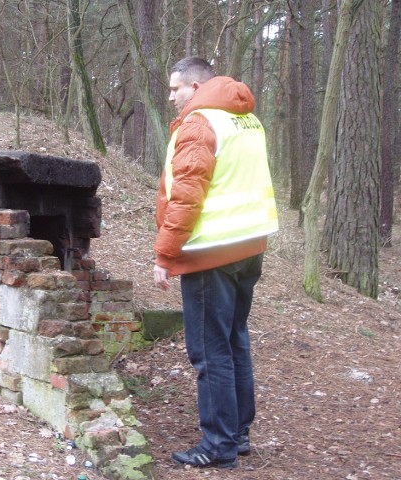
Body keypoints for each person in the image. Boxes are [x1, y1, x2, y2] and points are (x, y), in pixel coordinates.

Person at [153, 57, 278, 469]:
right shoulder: (246, 120)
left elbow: (187, 194)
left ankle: (218, 445)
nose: (171, 97)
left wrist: (166, 254)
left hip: (211, 251)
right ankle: (238, 433)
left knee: (210, 352)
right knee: (235, 339)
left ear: (196, 86)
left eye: (176, 89)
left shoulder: (200, 123)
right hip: (248, 246)